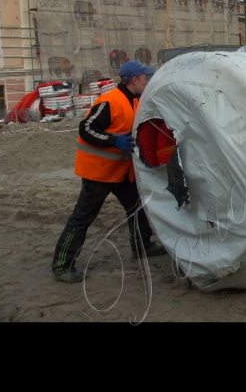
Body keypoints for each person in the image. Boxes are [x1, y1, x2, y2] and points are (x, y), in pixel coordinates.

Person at [52, 61, 167, 284]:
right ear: (134, 80)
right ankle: (62, 265)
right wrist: (114, 140)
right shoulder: (109, 101)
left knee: (137, 208)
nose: (148, 81)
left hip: (122, 171)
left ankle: (142, 246)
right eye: (146, 78)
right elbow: (85, 129)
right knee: (83, 218)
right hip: (99, 172)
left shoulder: (134, 100)